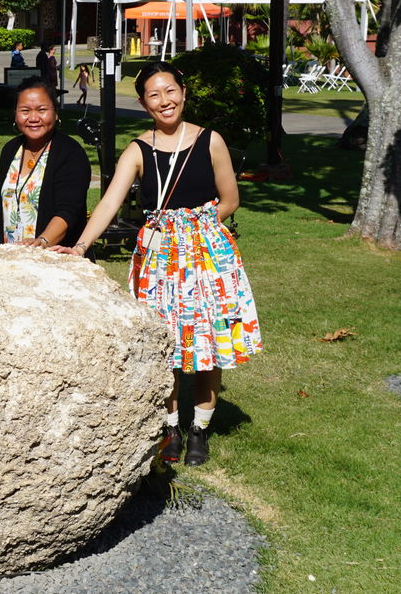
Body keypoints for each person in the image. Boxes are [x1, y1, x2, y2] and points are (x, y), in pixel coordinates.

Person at [54, 61, 262, 467]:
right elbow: (110, 202)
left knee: (208, 341)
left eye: (170, 91)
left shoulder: (211, 141)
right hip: (159, 260)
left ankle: (200, 428)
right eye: (154, 94)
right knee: (162, 344)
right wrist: (79, 247)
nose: (164, 101)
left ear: (183, 92)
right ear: (144, 102)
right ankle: (169, 427)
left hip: (206, 256)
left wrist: (195, 229)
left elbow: (230, 200)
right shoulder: (138, 149)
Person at [0, 78, 90, 248]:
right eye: (25, 110)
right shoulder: (10, 150)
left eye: (42, 110)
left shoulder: (70, 153)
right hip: (12, 256)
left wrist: (42, 242)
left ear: (56, 113)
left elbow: (68, 210)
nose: (33, 118)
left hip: (53, 255)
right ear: (15, 114)